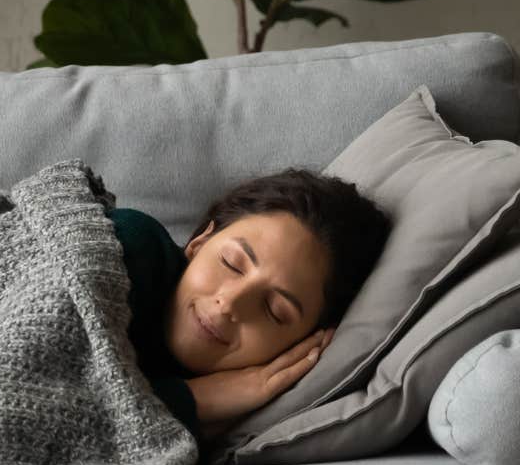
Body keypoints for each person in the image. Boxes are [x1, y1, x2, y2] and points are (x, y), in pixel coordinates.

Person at [107, 168, 392, 440]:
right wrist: (195, 399)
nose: (230, 303)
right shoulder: (127, 246)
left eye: (274, 310)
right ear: (200, 243)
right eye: (232, 263)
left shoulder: (233, 416)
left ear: (298, 345)